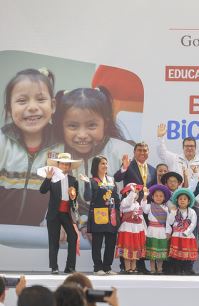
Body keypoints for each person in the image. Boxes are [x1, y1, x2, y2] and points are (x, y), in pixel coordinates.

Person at [52, 87, 134, 228]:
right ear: (62, 126)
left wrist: (99, 220)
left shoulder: (123, 153)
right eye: (73, 126)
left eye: (91, 125)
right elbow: (54, 200)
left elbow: (134, 199)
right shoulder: (58, 155)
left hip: (117, 230)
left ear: (105, 123)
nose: (82, 134)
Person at [0, 68, 60, 227]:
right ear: (9, 109)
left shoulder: (62, 148)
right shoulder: (2, 143)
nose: (32, 107)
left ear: (53, 105)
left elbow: (65, 192)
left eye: (40, 99)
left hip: (39, 239)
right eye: (22, 101)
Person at [114, 141, 156, 273]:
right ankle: (124, 265)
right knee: (127, 237)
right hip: (129, 208)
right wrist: (124, 168)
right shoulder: (129, 166)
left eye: (145, 150)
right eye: (139, 150)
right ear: (134, 152)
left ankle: (140, 265)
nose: (142, 153)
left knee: (140, 237)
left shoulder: (152, 169)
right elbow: (117, 177)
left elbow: (153, 190)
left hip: (144, 206)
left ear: (148, 152)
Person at [39, 153, 81, 274]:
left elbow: (74, 198)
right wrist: (47, 178)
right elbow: (42, 191)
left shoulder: (73, 180)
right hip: (54, 213)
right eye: (62, 163)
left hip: (66, 213)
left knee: (73, 236)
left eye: (67, 164)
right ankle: (54, 267)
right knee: (54, 240)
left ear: (70, 166)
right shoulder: (52, 178)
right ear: (58, 165)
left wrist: (74, 199)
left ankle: (70, 267)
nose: (64, 166)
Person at [81, 155, 121, 276]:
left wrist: (118, 212)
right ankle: (97, 267)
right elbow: (87, 197)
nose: (105, 165)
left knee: (111, 243)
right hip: (98, 215)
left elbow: (116, 197)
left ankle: (107, 267)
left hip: (112, 215)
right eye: (102, 163)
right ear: (96, 166)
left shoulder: (111, 180)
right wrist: (87, 184)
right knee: (97, 243)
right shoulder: (92, 181)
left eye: (106, 163)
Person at [157, 124, 199, 192]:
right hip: (175, 197)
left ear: (195, 147)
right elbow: (162, 153)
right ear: (183, 147)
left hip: (195, 198)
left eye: (192, 146)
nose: (189, 148)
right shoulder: (174, 158)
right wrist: (160, 138)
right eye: (187, 146)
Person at [115, 183, 146, 274]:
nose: (135, 194)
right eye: (133, 192)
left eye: (137, 192)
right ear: (127, 193)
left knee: (135, 248)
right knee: (127, 247)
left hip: (137, 229)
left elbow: (142, 218)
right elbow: (129, 201)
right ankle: (127, 268)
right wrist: (132, 192)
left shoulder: (138, 204)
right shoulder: (125, 201)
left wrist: (145, 230)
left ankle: (134, 267)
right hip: (127, 228)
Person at [167, 188, 198, 275]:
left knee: (187, 253)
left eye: (185, 199)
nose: (182, 201)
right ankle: (177, 269)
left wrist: (187, 232)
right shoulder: (175, 211)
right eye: (180, 199)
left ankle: (187, 269)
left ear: (188, 201)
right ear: (177, 201)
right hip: (176, 235)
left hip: (187, 236)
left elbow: (193, 223)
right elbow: (170, 222)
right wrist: (172, 212)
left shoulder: (192, 211)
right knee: (177, 254)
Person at [142, 184, 171, 274]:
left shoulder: (166, 208)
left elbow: (168, 222)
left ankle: (159, 268)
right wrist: (144, 196)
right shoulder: (150, 206)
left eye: (161, 196)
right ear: (153, 197)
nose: (158, 198)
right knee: (152, 251)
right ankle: (152, 269)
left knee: (160, 251)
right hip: (151, 231)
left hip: (162, 231)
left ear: (164, 198)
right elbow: (144, 209)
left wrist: (168, 232)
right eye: (156, 196)